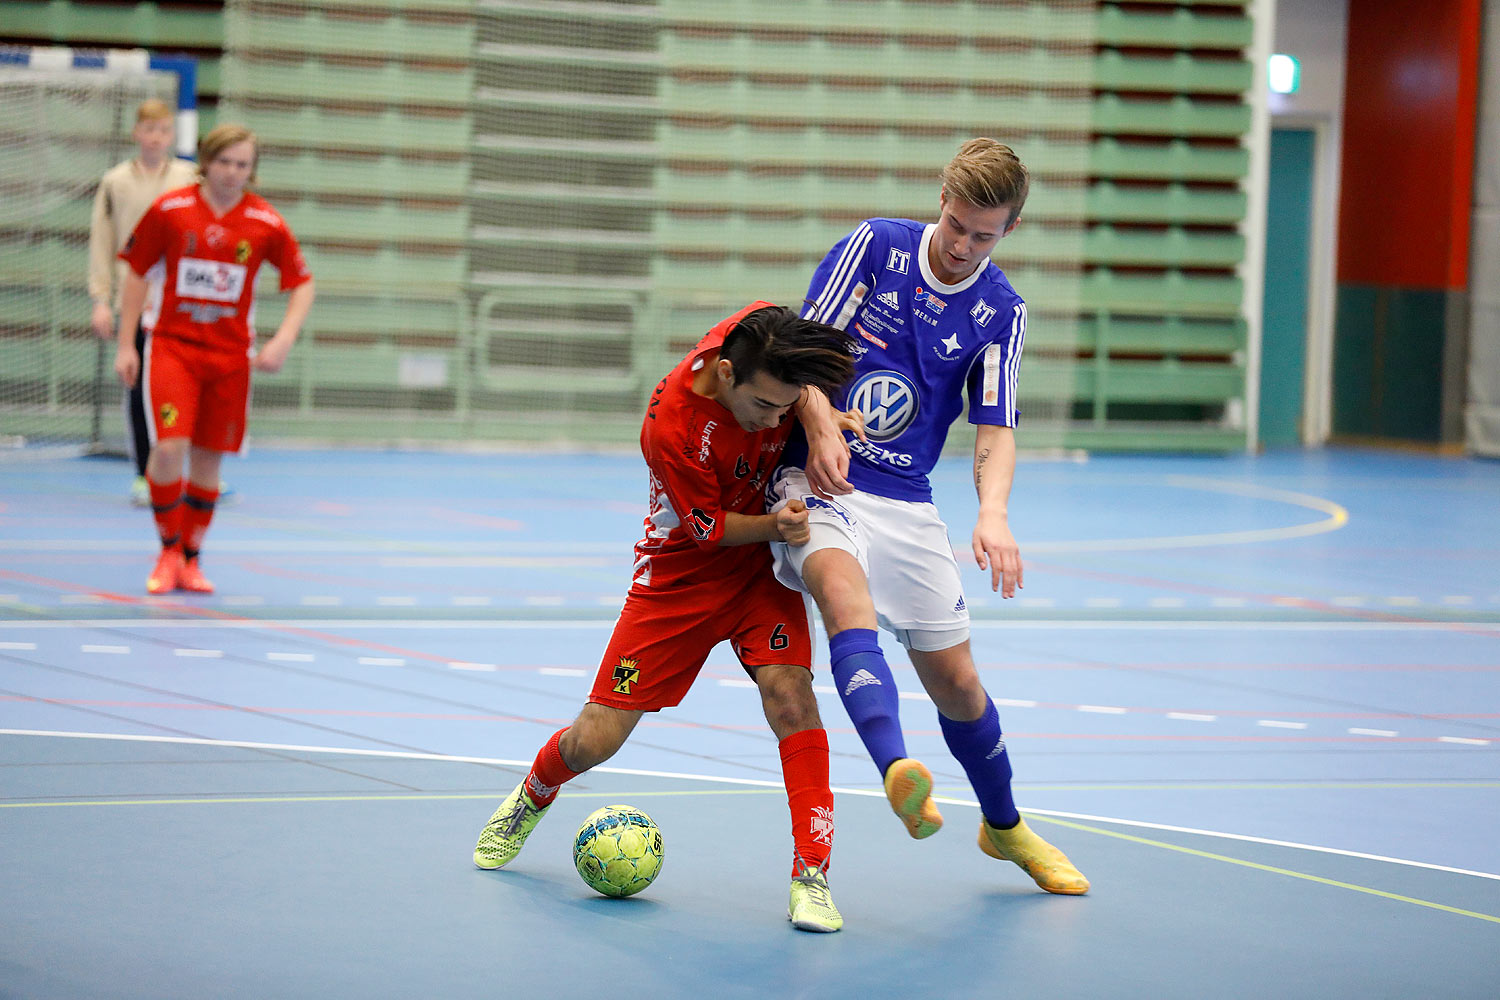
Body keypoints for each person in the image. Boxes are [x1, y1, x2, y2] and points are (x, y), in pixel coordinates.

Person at [472, 302, 860, 932]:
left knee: (793, 699)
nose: (774, 420)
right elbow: (707, 531)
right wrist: (780, 524)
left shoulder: (763, 333)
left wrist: (817, 418)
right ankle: (533, 794)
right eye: (766, 407)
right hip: (680, 578)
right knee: (595, 738)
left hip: (761, 572)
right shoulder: (671, 425)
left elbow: (802, 386)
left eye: (785, 407)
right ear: (728, 375)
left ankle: (811, 875)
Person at [767, 137, 1090, 895]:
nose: (963, 247)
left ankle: (1003, 826)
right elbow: (798, 351)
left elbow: (996, 428)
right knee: (843, 598)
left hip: (908, 501)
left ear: (1007, 230)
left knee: (960, 684)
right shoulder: (876, 248)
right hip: (819, 478)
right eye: (956, 226)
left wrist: (995, 513)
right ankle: (898, 770)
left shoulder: (1001, 311)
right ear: (941, 202)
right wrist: (817, 423)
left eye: (984, 235)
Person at [114, 123, 314, 595]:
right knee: (168, 448)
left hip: (229, 358)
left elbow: (302, 282)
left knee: (208, 464)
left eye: (242, 165)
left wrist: (283, 339)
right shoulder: (171, 210)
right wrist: (126, 344)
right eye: (224, 162)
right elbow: (137, 272)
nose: (232, 172)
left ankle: (191, 558)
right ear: (206, 162)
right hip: (172, 348)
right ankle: (167, 548)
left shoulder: (265, 222)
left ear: (252, 170)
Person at [88, 98, 197, 506]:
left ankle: (192, 473)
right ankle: (143, 475)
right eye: (149, 129)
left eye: (164, 130)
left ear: (172, 134)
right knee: (139, 389)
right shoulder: (115, 182)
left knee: (186, 388)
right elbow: (101, 244)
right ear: (137, 133)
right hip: (133, 300)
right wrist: (101, 299)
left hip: (180, 302)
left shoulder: (190, 178)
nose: (156, 137)